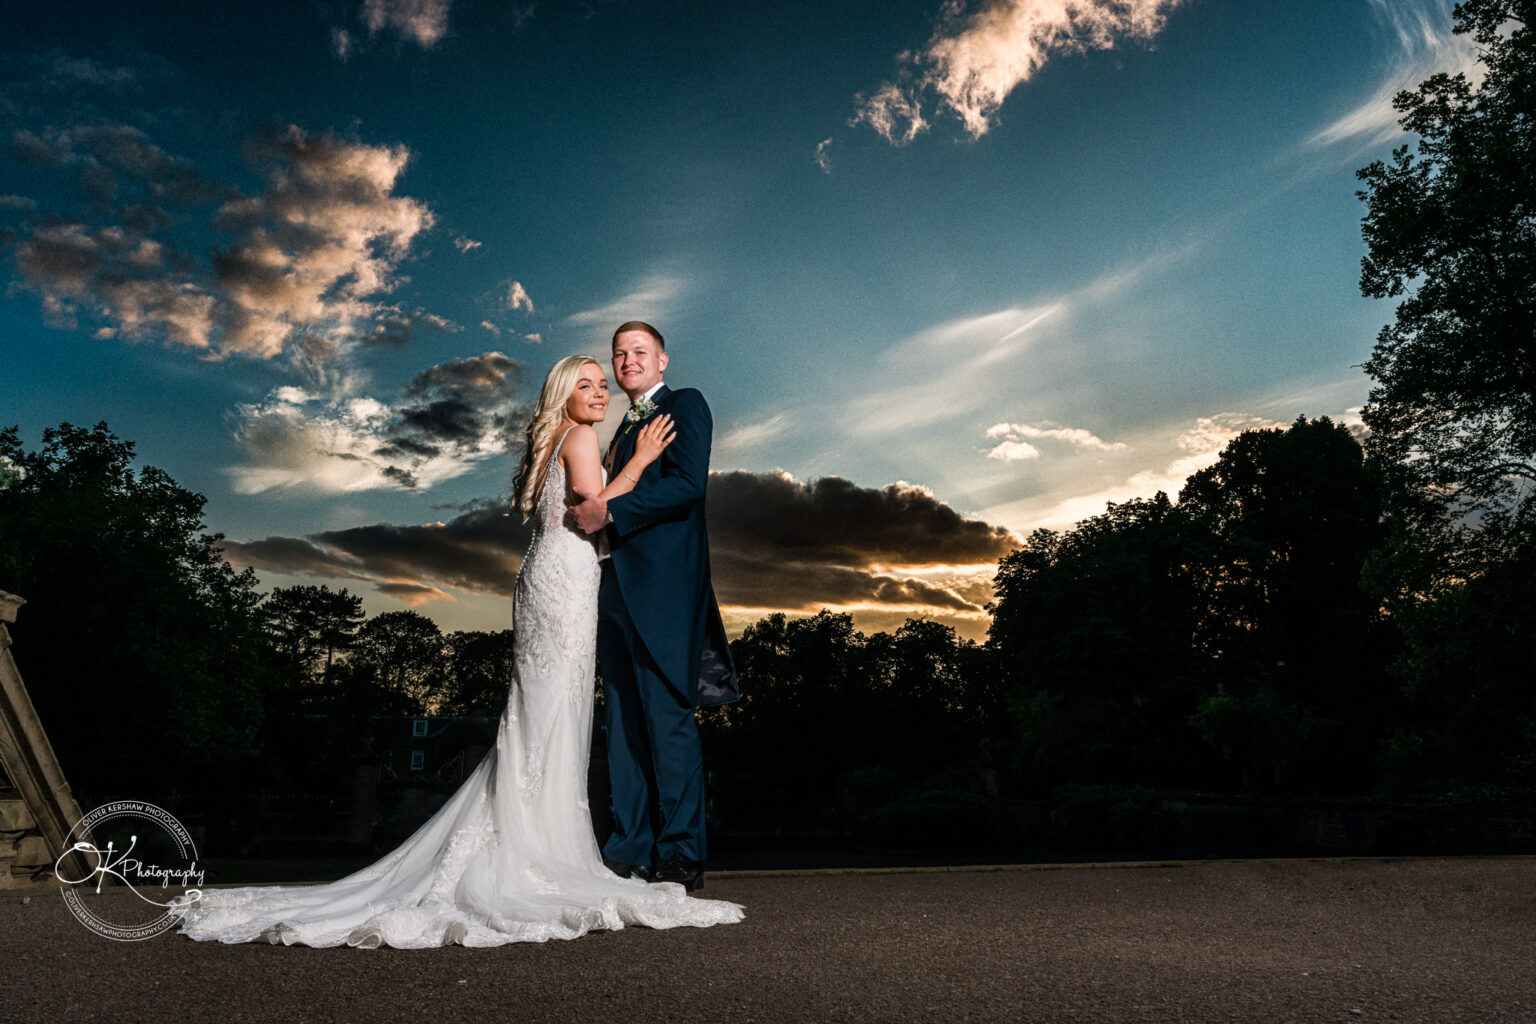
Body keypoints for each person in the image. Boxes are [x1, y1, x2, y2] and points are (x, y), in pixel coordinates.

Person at [169, 355, 743, 948]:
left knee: (540, 714)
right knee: (551, 716)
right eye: (587, 384)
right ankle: (536, 851)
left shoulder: (555, 437)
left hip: (548, 578)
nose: (600, 392)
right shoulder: (582, 437)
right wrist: (643, 461)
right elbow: (589, 513)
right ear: (562, 394)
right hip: (567, 581)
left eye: (604, 384)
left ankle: (535, 841)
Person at [569, 321, 738, 893]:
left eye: (639, 351)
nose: (628, 360)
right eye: (620, 353)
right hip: (612, 586)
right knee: (621, 721)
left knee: (667, 721)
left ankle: (680, 854)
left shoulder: (685, 404)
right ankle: (628, 848)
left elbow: (689, 484)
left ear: (662, 360)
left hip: (664, 587)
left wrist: (614, 513)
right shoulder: (619, 430)